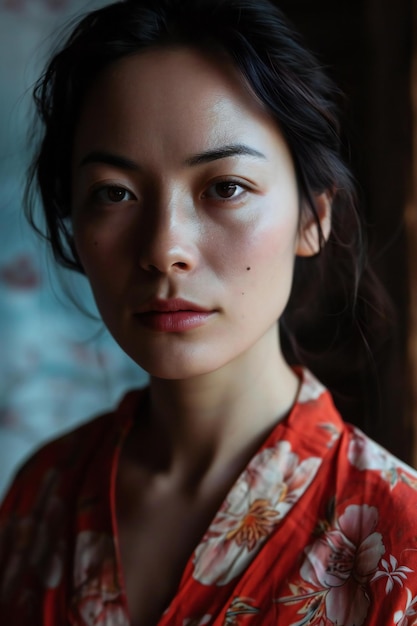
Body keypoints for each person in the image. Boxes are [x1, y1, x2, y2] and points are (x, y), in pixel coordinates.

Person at [0, 0, 416, 624]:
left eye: (225, 187)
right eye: (114, 193)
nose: (165, 248)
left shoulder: (397, 540)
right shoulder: (42, 498)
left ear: (313, 217)